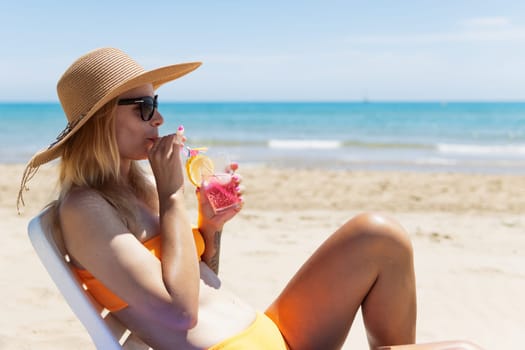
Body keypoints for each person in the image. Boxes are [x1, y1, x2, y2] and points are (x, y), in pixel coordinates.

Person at [18, 48, 480, 350]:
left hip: (265, 332)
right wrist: (176, 194)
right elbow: (179, 314)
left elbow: (201, 282)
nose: (159, 119)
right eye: (144, 108)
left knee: (379, 235)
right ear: (101, 121)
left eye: (156, 103)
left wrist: (212, 232)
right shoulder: (84, 209)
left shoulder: (137, 187)